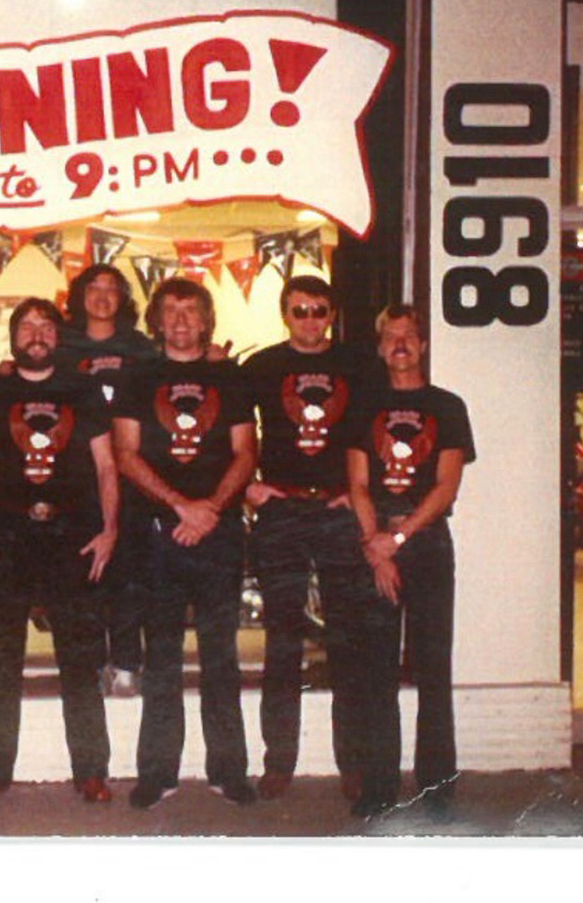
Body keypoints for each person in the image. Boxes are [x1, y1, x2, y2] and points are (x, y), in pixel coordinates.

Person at [0, 298, 120, 805]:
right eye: (27, 326)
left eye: (46, 325)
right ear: (13, 337)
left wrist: (110, 528)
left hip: (73, 535)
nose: (37, 333)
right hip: (8, 534)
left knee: (79, 657)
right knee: (2, 658)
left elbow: (107, 466)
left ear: (57, 337)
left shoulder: (83, 390)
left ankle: (91, 771)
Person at [112, 277, 258, 808]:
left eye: (190, 311)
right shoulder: (138, 375)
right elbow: (126, 453)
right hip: (159, 533)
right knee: (162, 657)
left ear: (205, 320)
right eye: (170, 311)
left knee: (222, 656)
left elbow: (246, 451)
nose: (179, 320)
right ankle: (157, 772)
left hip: (218, 531)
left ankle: (229, 770)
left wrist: (212, 509)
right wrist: (180, 505)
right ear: (157, 320)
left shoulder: (229, 377)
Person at [241, 275, 384, 804]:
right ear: (285, 314)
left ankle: (353, 763)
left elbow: (379, 433)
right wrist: (248, 488)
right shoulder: (260, 368)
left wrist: (358, 491)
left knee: (347, 642)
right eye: (299, 310)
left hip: (337, 510)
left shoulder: (360, 366)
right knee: (282, 643)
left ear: (331, 313)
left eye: (318, 310)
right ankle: (279, 762)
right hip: (281, 510)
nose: (309, 319)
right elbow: (235, 433)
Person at [347, 303, 476, 819]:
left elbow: (446, 486)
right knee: (376, 672)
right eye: (391, 336)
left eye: (409, 335)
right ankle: (379, 786)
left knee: (432, 667)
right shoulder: (363, 406)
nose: (400, 343)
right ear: (380, 348)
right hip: (374, 539)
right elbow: (356, 482)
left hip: (425, 542)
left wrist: (396, 541)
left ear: (422, 346)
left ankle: (437, 784)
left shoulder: (448, 406)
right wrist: (375, 543)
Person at [60, 264, 159, 699]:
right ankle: (90, 662)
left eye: (111, 290)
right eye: (93, 288)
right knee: (84, 572)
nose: (102, 296)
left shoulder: (141, 348)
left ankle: (126, 663)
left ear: (123, 299)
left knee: (129, 572)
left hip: (131, 473)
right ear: (79, 295)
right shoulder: (61, 344)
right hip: (77, 476)